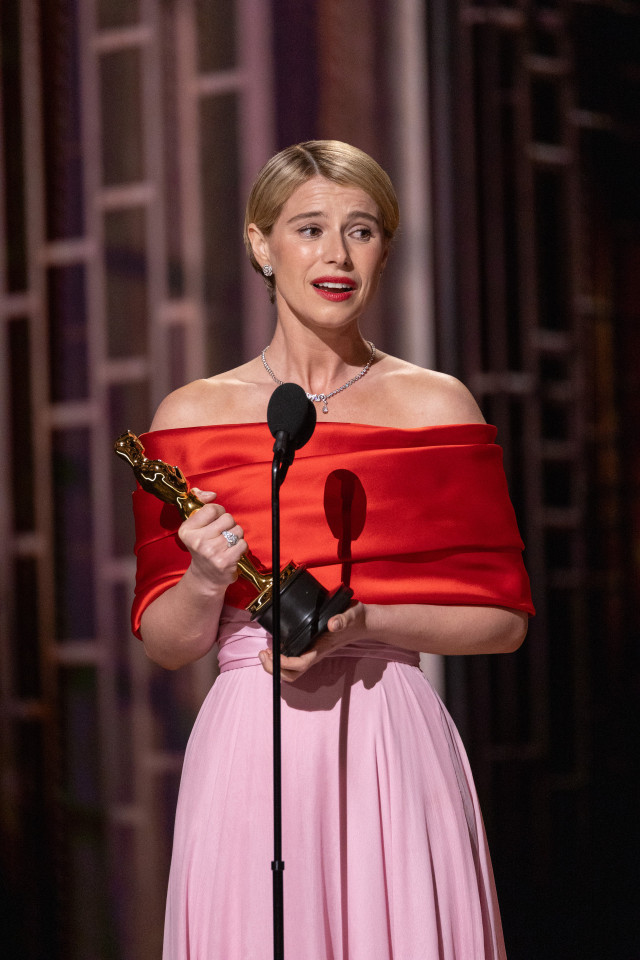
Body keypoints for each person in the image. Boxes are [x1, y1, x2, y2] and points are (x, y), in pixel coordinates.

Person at [130, 140, 534, 959]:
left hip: (391, 737)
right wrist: (207, 578)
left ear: (385, 247)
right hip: (251, 746)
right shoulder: (190, 418)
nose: (336, 255)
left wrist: (360, 624)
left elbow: (504, 621)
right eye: (309, 228)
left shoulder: (433, 405)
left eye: (362, 230)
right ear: (259, 242)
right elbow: (167, 643)